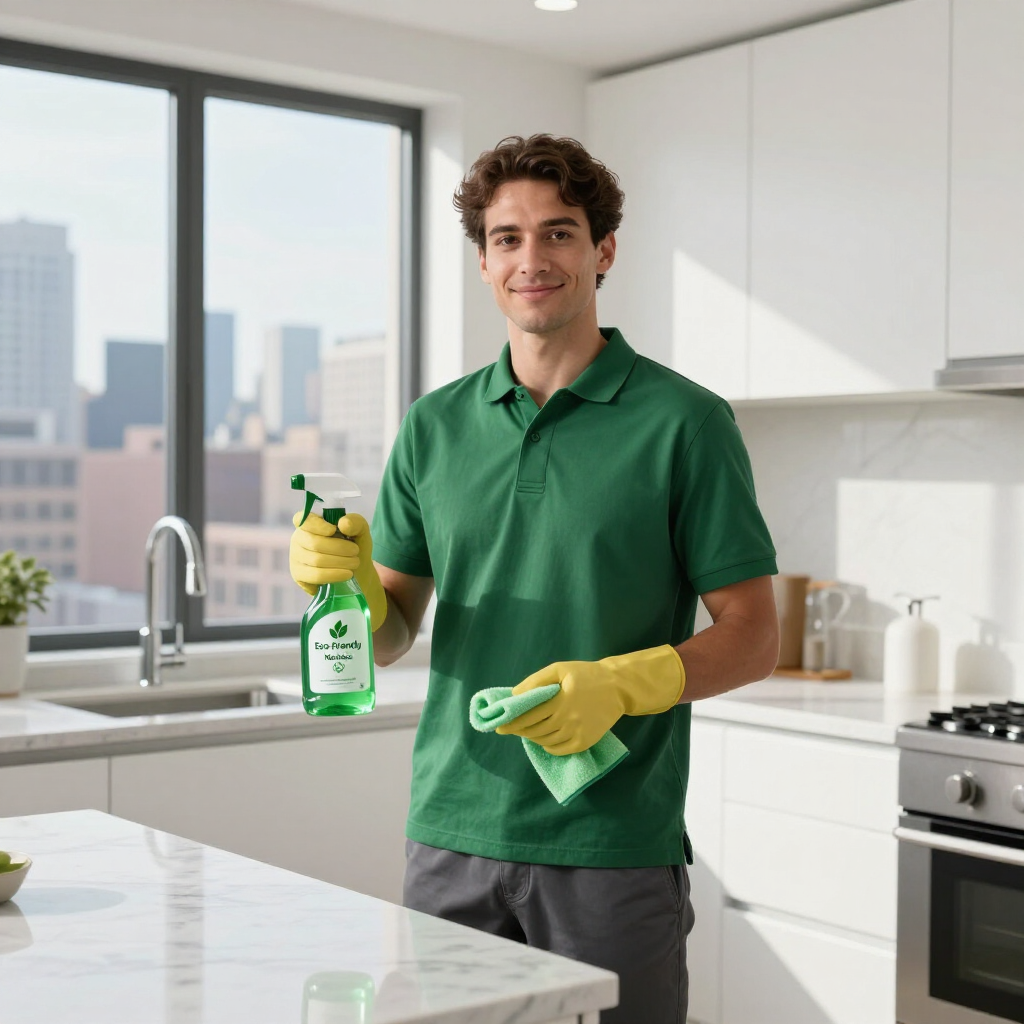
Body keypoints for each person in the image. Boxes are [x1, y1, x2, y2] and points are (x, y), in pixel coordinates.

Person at [289, 134, 780, 1024]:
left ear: (603, 251)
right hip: (450, 833)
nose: (533, 258)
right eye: (508, 238)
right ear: (484, 262)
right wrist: (350, 586)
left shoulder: (686, 423)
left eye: (558, 233)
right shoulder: (434, 426)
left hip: (612, 844)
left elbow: (754, 634)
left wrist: (626, 682)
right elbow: (393, 630)